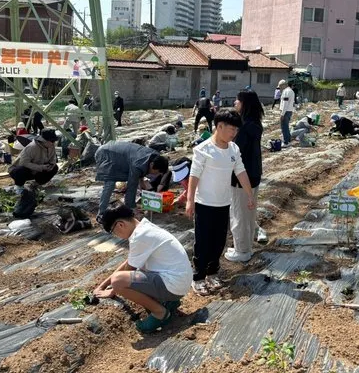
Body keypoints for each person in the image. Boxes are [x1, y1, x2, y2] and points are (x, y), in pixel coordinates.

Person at [186, 108, 256, 294]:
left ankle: (212, 273)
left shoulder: (233, 149)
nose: (234, 134)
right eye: (231, 129)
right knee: (203, 242)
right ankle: (198, 276)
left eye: (236, 130)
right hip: (204, 203)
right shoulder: (203, 149)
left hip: (224, 203)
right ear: (219, 126)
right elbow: (194, 175)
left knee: (219, 241)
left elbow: (240, 172)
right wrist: (190, 200)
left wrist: (249, 195)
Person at [94, 205, 192, 332]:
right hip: (179, 282)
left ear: (120, 225)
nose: (117, 236)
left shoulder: (140, 236)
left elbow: (128, 269)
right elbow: (128, 263)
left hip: (173, 284)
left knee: (118, 281)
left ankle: (160, 312)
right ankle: (168, 303)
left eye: (114, 232)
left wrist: (112, 290)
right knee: (128, 276)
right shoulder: (144, 228)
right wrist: (102, 286)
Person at [226, 91, 264, 263]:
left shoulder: (243, 127)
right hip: (254, 173)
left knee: (239, 213)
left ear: (245, 104)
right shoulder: (255, 123)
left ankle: (242, 251)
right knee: (249, 213)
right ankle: (246, 246)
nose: (235, 102)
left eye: (238, 100)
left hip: (242, 177)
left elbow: (235, 152)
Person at [93, 141, 169, 221]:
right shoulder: (138, 164)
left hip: (119, 154)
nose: (156, 175)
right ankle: (101, 214)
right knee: (110, 183)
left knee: (131, 178)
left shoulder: (155, 157)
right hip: (106, 154)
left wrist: (142, 182)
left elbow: (142, 169)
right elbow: (131, 187)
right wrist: (132, 208)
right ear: (152, 165)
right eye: (157, 172)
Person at [277, 79, 295, 146]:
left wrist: (282, 114)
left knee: (284, 127)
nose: (280, 88)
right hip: (289, 111)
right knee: (286, 126)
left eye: (281, 86)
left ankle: (285, 142)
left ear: (284, 85)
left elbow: (285, 103)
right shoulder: (291, 91)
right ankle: (288, 140)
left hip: (286, 111)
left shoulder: (286, 91)